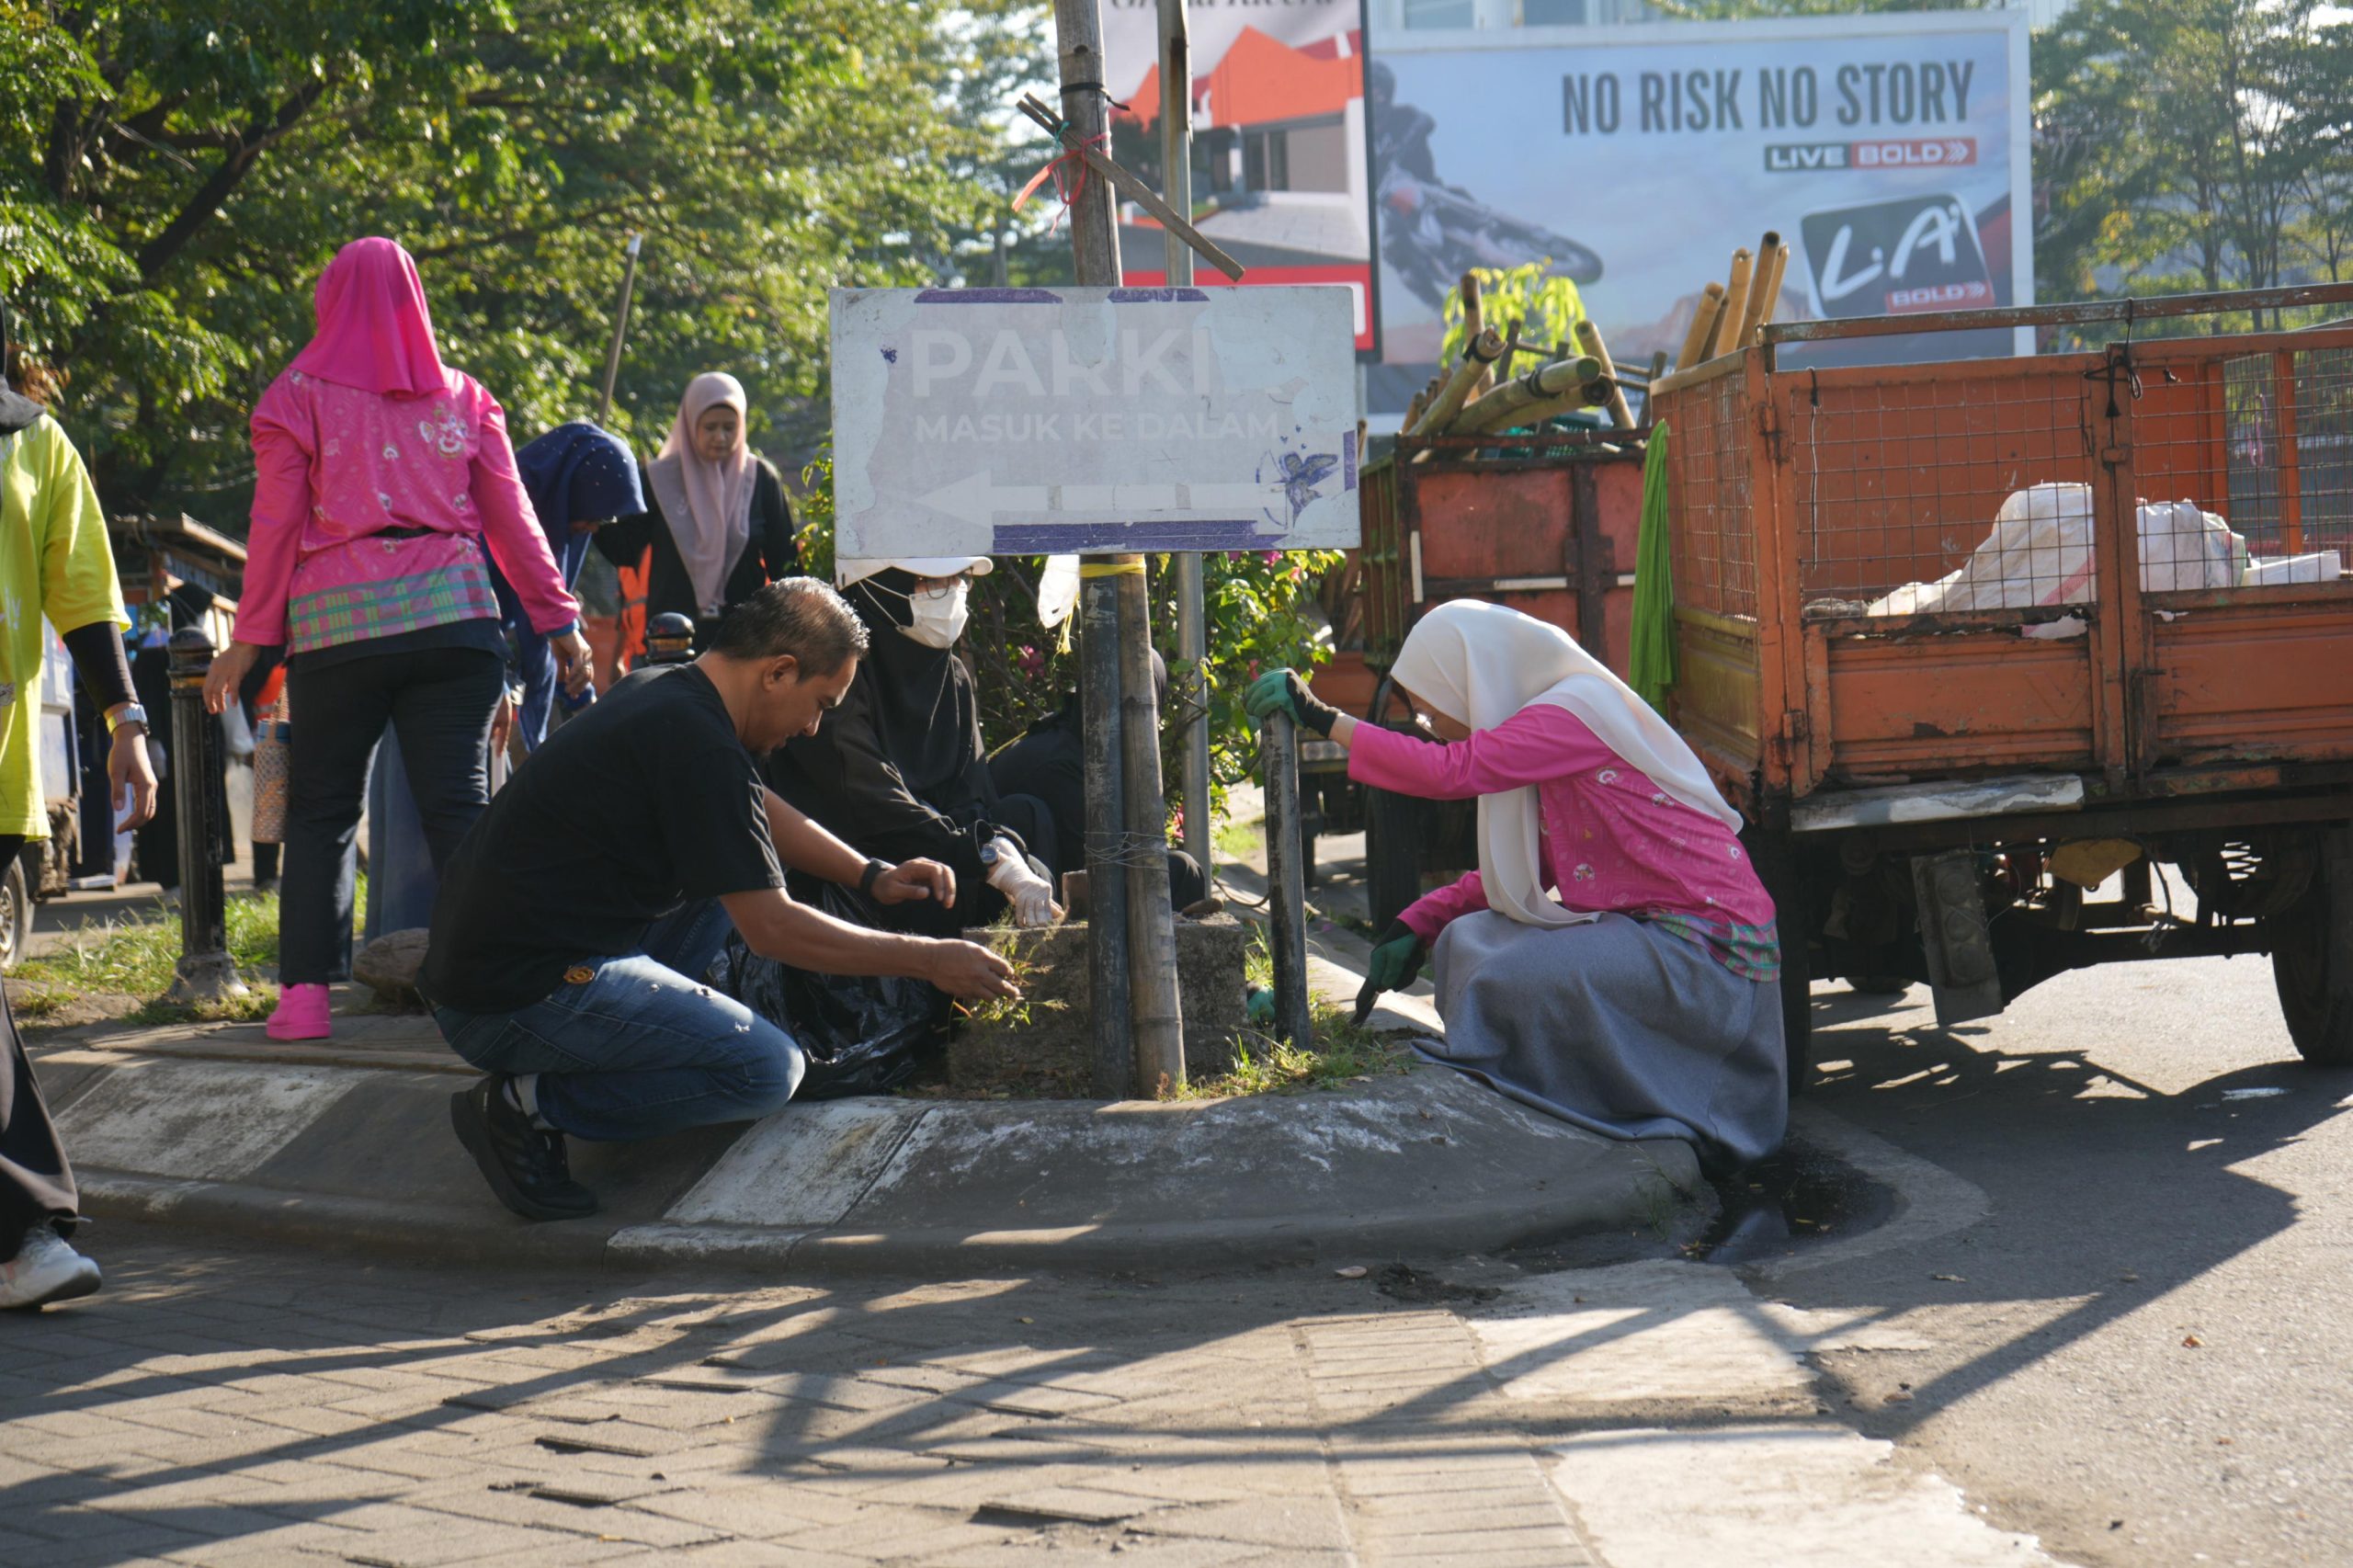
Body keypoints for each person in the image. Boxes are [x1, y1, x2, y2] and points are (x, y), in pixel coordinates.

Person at [418, 578, 1017, 1221]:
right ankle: (523, 1106)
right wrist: (928, 959)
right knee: (764, 1069)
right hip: (514, 1000)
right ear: (778, 673)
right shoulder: (695, 739)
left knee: (729, 874)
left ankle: (651, 1033)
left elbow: (751, 807)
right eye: (819, 703)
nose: (814, 727)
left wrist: (869, 874)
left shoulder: (669, 691)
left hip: (499, 966)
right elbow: (773, 930)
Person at [201, 237, 590, 1043]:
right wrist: (558, 621)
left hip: (340, 630)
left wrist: (250, 641)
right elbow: (512, 522)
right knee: (460, 807)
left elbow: (274, 528)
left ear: (329, 299)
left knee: (321, 812)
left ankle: (305, 999)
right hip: (454, 621)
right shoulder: (466, 398)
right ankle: (499, 987)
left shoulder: (293, 398)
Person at [1245, 599, 1785, 1172]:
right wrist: (1422, 922)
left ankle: (1534, 1083)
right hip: (1646, 934)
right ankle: (1527, 1072)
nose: (1433, 726)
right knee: (1468, 942)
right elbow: (1547, 862)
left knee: (1509, 978)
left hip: (1708, 955)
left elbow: (1451, 770)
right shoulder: (1555, 719)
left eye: (1430, 713)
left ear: (1467, 681)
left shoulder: (1573, 713)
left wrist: (1323, 717)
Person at [0, 321, 159, 1308]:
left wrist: (127, 721)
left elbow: (84, 597)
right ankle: (25, 1226)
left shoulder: (35, 441)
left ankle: (23, 1227)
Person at [766, 558, 1062, 937]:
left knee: (1025, 822)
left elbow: (969, 795)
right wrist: (984, 857)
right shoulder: (837, 677)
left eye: (959, 579)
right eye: (932, 581)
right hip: (849, 870)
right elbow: (871, 803)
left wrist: (997, 852)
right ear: (880, 584)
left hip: (938, 851)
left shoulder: (951, 678)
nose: (953, 592)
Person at [986, 650, 1209, 910]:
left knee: (1181, 870)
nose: (1124, 716)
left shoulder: (1093, 753)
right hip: (1019, 896)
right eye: (1117, 702)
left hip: (1067, 877)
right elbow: (1098, 866)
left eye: (1140, 708)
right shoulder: (1062, 763)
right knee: (1178, 871)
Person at [593, 372, 799, 650]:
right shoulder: (658, 480)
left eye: (729, 427)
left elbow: (785, 563)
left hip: (744, 639)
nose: (720, 437)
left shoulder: (760, 479)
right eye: (710, 427)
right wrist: (596, 507)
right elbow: (625, 550)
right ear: (690, 425)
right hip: (673, 640)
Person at [497, 421, 644, 752]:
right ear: (567, 495)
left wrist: (581, 695)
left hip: (523, 693)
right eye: (592, 514)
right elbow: (506, 607)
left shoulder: (562, 533)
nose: (593, 528)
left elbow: (551, 617)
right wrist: (497, 684)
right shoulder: (498, 511)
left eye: (604, 521)